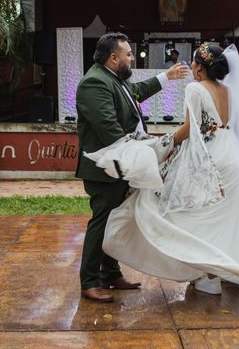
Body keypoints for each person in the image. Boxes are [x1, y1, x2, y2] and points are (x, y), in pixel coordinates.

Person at [89, 43, 239, 295]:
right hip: (231, 155)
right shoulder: (231, 91)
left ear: (199, 66)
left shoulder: (195, 88)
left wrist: (162, 145)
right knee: (225, 218)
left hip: (209, 156)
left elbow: (191, 129)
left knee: (194, 216)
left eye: (194, 63)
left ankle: (207, 275)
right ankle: (228, 267)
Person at [75, 32, 188, 303]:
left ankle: (110, 273)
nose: (132, 58)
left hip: (123, 163)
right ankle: (89, 281)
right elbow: (109, 131)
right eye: (128, 54)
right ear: (113, 58)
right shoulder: (94, 83)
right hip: (106, 168)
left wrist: (166, 77)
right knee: (102, 222)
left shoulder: (114, 79)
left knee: (119, 219)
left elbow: (136, 92)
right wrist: (152, 147)